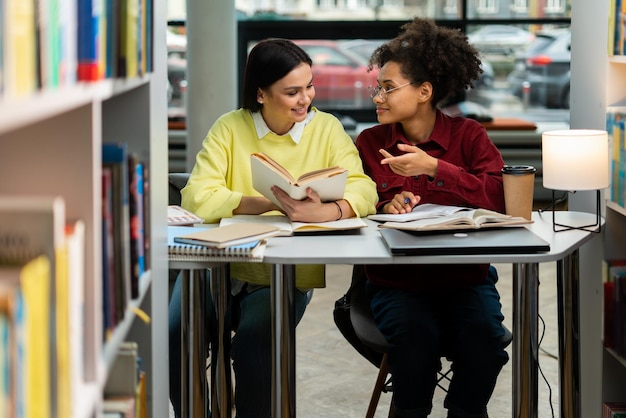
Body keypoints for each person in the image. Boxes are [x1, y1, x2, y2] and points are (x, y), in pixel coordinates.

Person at [168, 38, 378, 418]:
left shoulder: (327, 129)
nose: (305, 99)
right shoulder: (230, 127)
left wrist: (327, 212)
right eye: (292, 92)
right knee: (174, 336)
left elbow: (364, 189)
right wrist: (270, 201)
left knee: (255, 346)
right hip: (217, 262)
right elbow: (197, 195)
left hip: (283, 272)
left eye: (309, 86)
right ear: (261, 94)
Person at [355, 18, 509, 418]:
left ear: (424, 91)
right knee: (414, 345)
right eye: (378, 88)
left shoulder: (469, 136)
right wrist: (382, 207)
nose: (378, 97)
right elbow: (356, 201)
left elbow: (501, 199)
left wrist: (436, 168)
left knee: (486, 341)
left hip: (465, 279)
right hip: (397, 281)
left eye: (388, 88)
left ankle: (464, 410)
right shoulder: (369, 143)